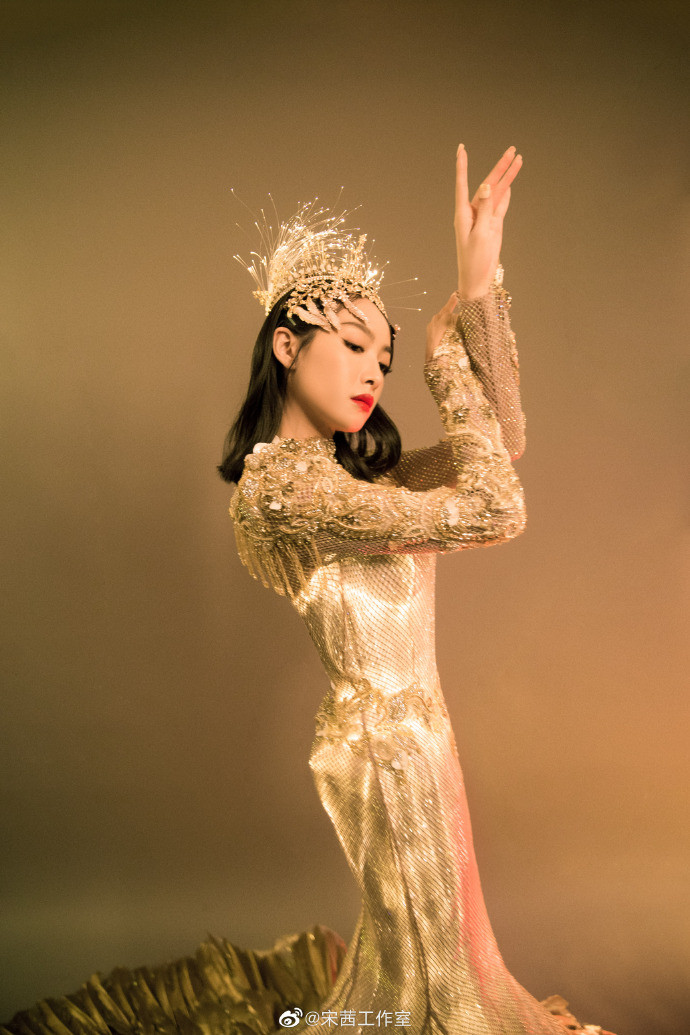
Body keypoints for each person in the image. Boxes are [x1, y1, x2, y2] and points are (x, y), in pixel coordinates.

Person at [4, 147, 611, 1035]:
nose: (374, 372)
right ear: (288, 346)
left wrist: (479, 290)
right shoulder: (287, 488)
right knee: (433, 977)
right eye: (354, 346)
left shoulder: (360, 482)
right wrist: (444, 365)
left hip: (422, 740)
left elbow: (501, 443)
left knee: (447, 966)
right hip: (383, 755)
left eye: (385, 358)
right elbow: (497, 506)